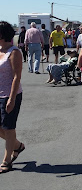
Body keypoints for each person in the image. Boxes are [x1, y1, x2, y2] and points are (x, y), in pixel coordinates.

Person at [0, 21, 25, 174]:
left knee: (8, 128)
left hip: (9, 95)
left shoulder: (14, 52)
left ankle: (6, 160)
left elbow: (17, 77)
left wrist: (12, 98)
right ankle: (17, 146)